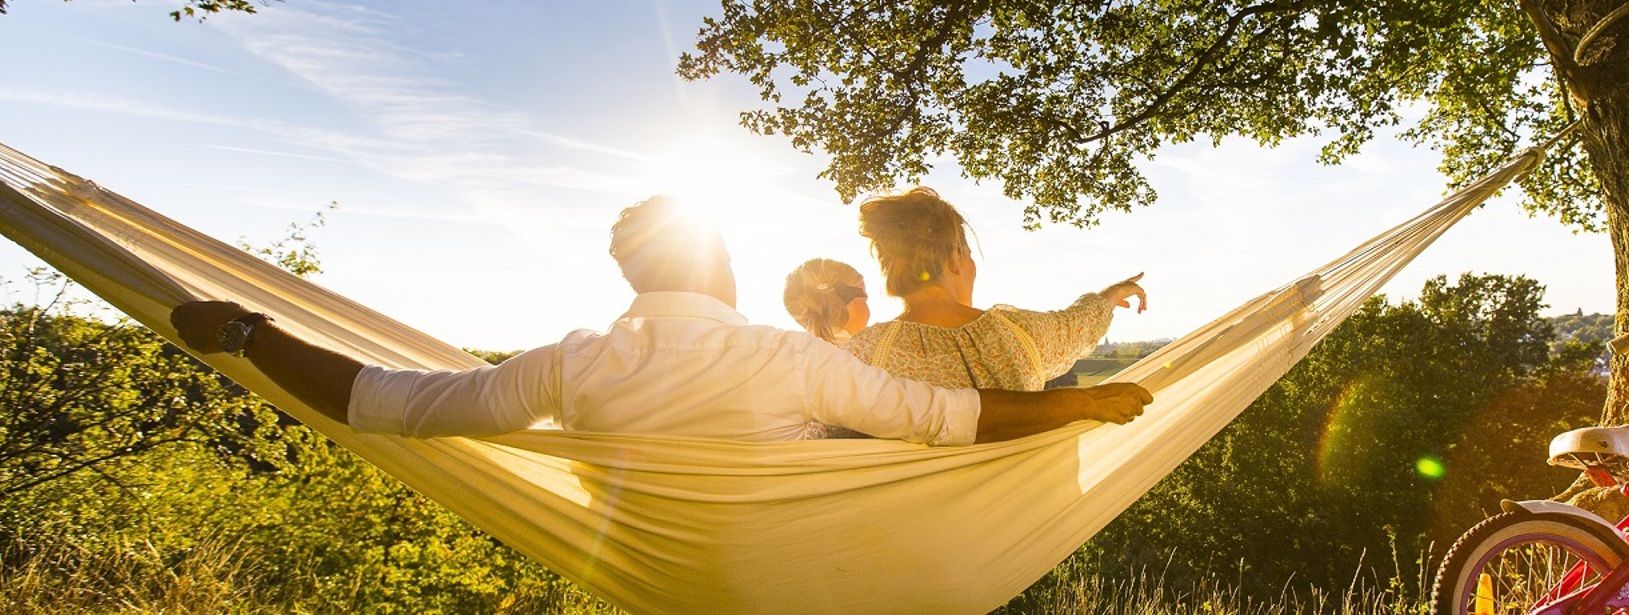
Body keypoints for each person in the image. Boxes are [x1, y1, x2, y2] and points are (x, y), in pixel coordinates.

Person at [169, 195, 1151, 446]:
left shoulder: (570, 364)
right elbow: (950, 421)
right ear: (722, 267)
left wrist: (250, 333)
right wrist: (1077, 404)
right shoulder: (795, 363)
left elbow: (383, 401)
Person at [846, 187, 1146, 391]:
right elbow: (1074, 328)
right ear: (953, 260)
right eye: (968, 255)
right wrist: (1111, 295)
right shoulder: (1014, 333)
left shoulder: (861, 355)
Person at [782, 258, 869, 344]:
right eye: (865, 300)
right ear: (849, 303)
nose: (868, 309)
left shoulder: (799, 352)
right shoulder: (864, 355)